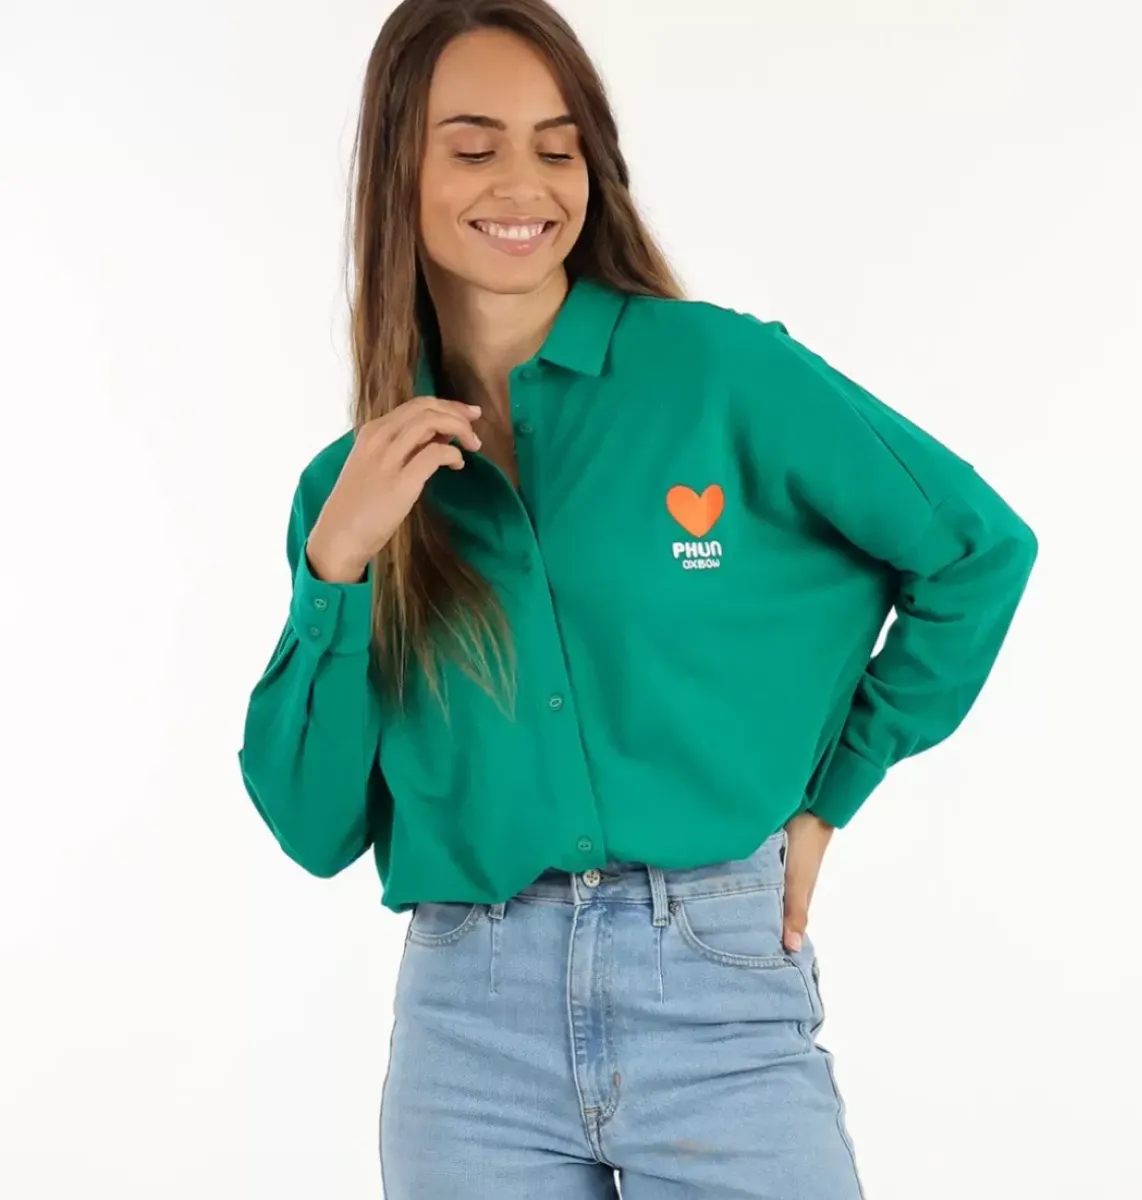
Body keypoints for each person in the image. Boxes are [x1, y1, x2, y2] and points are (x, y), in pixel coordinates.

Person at [237, 0, 1038, 1195]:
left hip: (717, 997)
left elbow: (975, 551)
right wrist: (337, 569)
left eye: (557, 148)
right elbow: (313, 828)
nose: (523, 185)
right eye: (473, 147)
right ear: (396, 169)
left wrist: (832, 796)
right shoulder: (349, 492)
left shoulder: (721, 371)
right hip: (468, 1035)